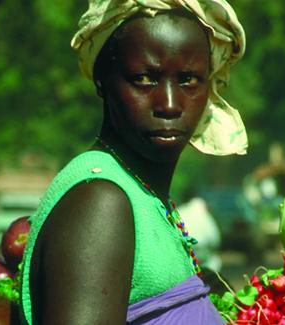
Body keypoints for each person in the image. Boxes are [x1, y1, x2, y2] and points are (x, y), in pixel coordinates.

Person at [20, 0, 247, 324]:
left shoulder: (142, 196)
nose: (169, 104)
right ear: (102, 80)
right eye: (144, 79)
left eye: (189, 80)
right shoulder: (100, 203)